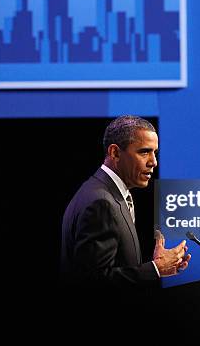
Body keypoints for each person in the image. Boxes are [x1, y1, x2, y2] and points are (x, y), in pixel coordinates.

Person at [60, 115, 191, 289]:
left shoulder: (109, 193)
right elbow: (92, 282)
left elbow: (113, 268)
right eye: (144, 152)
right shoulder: (101, 202)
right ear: (115, 153)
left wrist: (157, 267)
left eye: (155, 152)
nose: (154, 162)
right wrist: (155, 269)